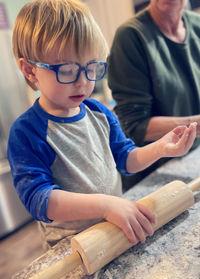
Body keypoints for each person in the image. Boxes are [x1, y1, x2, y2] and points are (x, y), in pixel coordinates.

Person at [7, 0, 196, 250]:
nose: (84, 82)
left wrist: (161, 148)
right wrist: (106, 205)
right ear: (30, 71)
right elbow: (39, 200)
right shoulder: (27, 132)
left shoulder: (99, 112)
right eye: (68, 70)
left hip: (115, 231)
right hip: (72, 248)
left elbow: (126, 158)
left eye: (92, 68)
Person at [107, 0, 200, 189]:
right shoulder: (131, 37)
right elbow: (134, 125)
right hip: (153, 179)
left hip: (193, 160)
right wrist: (196, 125)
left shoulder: (197, 25)